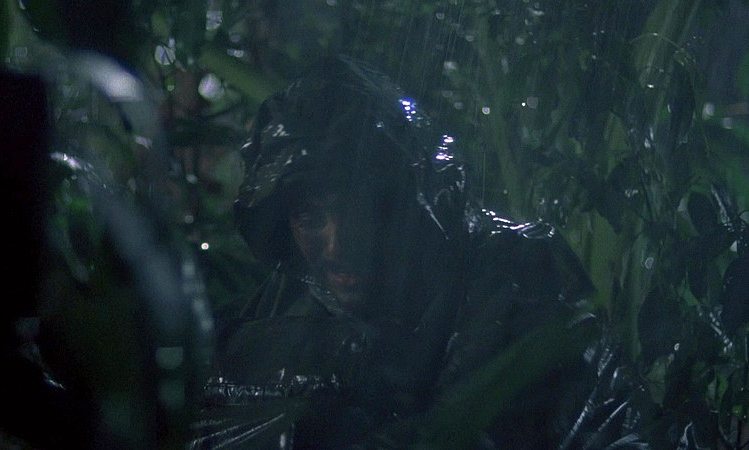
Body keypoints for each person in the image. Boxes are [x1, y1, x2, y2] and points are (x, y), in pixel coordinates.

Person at [192, 55, 647, 449]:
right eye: (311, 219)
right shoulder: (301, 292)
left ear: (407, 205)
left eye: (361, 213)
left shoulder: (517, 272)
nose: (339, 246)